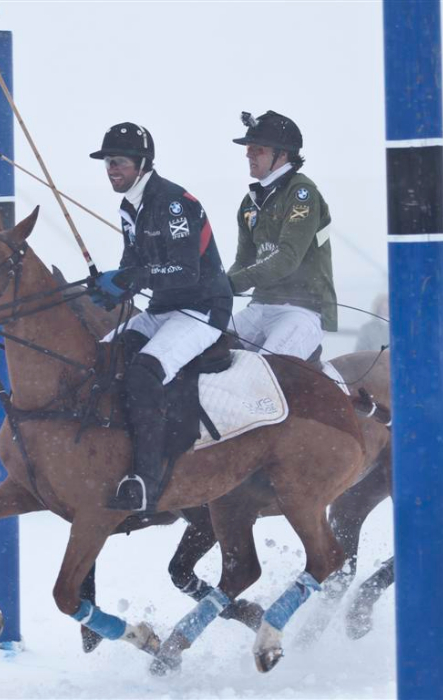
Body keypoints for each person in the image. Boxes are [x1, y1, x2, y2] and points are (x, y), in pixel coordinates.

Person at [88, 122, 232, 512]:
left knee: (143, 373)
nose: (111, 169)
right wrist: (110, 287)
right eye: (107, 162)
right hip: (162, 310)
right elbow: (131, 267)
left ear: (142, 163)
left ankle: (147, 480)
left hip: (201, 310)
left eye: (117, 162)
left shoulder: (172, 202)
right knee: (99, 360)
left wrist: (135, 278)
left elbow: (187, 272)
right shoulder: (128, 207)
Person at [226, 110, 336, 362]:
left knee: (264, 370)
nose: (248, 154)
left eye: (258, 149)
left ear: (282, 154)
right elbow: (244, 261)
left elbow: (287, 258)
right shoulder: (249, 202)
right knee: (204, 347)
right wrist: (214, 286)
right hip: (260, 305)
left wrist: (230, 285)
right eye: (248, 148)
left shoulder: (302, 193)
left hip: (303, 310)